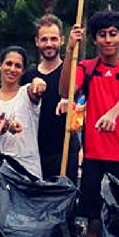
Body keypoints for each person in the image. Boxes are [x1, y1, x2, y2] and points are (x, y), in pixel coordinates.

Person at [59, 10, 119, 237]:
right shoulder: (86, 67)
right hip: (95, 156)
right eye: (102, 35)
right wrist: (69, 50)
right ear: (95, 40)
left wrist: (112, 114)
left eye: (113, 35)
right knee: (93, 218)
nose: (108, 40)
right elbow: (67, 89)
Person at [23, 15, 80, 181]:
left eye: (54, 39)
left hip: (65, 149)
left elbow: (81, 101)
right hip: (34, 151)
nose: (49, 44)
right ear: (36, 41)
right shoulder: (28, 75)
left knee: (63, 200)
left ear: (62, 40)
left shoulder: (74, 70)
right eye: (44, 39)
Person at [0, 46, 45, 177]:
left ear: (23, 71)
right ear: (0, 66)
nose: (12, 69)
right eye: (8, 64)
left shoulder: (26, 93)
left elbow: (35, 89)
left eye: (18, 66)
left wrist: (38, 83)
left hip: (27, 171)